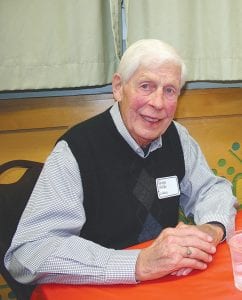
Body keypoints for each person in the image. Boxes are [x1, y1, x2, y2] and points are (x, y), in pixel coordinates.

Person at [5, 39, 237, 285]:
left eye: (169, 90)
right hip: (98, 288)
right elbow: (29, 253)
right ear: (118, 87)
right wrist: (137, 264)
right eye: (146, 86)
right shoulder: (76, 149)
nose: (158, 103)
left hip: (165, 280)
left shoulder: (177, 136)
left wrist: (212, 227)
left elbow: (211, 189)